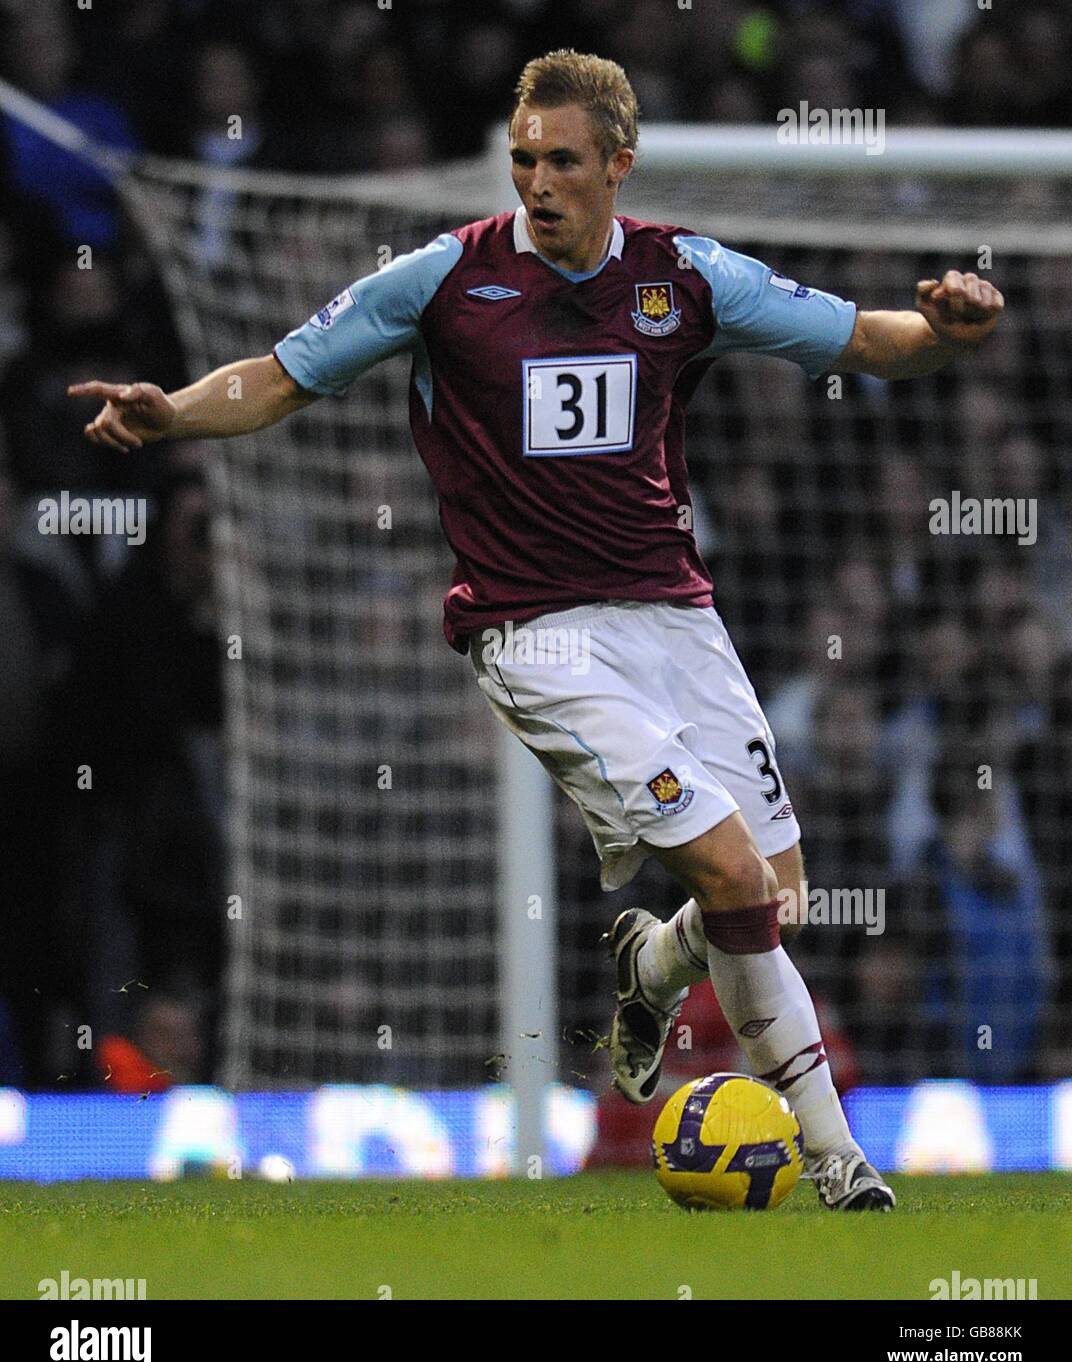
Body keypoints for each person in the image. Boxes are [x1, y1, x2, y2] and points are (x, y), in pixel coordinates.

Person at [68, 50, 1004, 1210]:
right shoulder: (443, 283)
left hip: (676, 619)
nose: (538, 182)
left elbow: (861, 340)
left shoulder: (686, 279)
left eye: (563, 161)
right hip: (536, 634)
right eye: (523, 160)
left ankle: (653, 960)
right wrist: (172, 413)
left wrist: (941, 326)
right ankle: (835, 1158)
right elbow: (279, 377)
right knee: (727, 870)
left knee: (777, 897)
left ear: (617, 165)